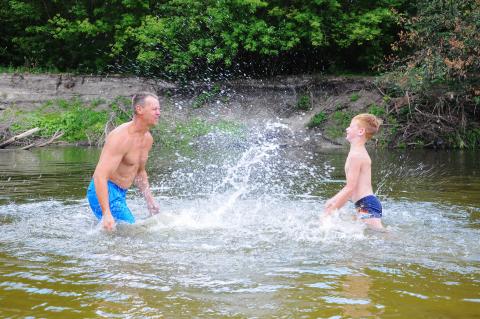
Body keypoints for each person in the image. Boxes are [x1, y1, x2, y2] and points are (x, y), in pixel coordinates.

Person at [87, 92, 161, 231]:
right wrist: (107, 213)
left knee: (121, 231)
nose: (159, 113)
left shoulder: (147, 138)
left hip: (120, 192)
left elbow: (140, 172)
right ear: (139, 109)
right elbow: (99, 176)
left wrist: (150, 201)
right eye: (154, 109)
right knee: (133, 231)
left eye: (159, 109)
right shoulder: (120, 137)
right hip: (104, 189)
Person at [323, 113, 384, 229]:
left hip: (367, 204)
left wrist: (332, 208)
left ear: (360, 131)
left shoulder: (356, 155)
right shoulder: (357, 152)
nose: (347, 128)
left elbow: (350, 188)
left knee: (381, 234)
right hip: (366, 203)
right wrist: (334, 200)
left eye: (350, 126)